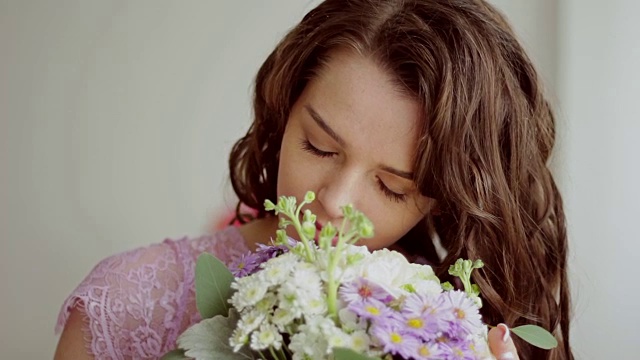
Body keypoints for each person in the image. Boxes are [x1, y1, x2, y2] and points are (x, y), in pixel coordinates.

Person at [54, 0, 573, 359]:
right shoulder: (123, 305)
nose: (334, 202)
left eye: (392, 186)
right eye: (319, 147)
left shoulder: (454, 333)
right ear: (284, 112)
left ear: (440, 201)